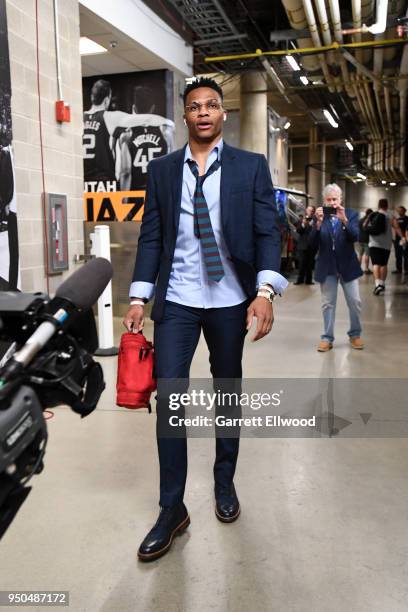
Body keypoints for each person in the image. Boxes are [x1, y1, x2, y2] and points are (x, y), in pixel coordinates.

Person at [123, 76, 288, 561]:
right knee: (171, 395)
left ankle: (224, 483)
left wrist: (265, 292)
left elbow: (266, 232)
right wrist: (138, 297)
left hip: (231, 298)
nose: (202, 112)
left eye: (211, 105)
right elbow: (152, 235)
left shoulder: (250, 167)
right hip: (176, 299)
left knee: (226, 391)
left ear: (223, 114)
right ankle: (171, 508)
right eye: (194, 106)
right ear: (185, 115)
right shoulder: (162, 170)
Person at [83, 79, 173, 185]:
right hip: (104, 184)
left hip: (83, 182)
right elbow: (145, 119)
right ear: (107, 99)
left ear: (92, 97)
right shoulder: (109, 117)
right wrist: (168, 122)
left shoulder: (79, 117)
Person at [309, 183, 363, 352]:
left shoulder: (351, 214)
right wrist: (317, 224)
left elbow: (355, 236)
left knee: (355, 302)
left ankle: (355, 334)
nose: (332, 203)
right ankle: (327, 337)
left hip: (348, 265)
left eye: (335, 199)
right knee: (327, 304)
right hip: (327, 268)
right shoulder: (319, 218)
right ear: (324, 201)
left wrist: (344, 219)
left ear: (341, 199)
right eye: (329, 199)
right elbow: (311, 244)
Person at [119, 85, 174, 191]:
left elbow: (125, 171)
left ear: (134, 108)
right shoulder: (165, 132)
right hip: (159, 193)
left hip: (137, 195)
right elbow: (173, 166)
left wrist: (124, 201)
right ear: (153, 108)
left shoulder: (127, 134)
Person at [368, 198, 393, 295]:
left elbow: (367, 227)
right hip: (386, 244)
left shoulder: (373, 215)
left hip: (374, 243)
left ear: (378, 205)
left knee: (375, 264)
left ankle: (377, 284)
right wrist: (402, 237)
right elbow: (396, 227)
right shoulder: (390, 215)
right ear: (387, 205)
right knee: (383, 264)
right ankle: (382, 284)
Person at [294, 205, 315, 285]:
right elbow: (298, 231)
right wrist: (303, 224)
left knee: (310, 264)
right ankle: (300, 280)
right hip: (302, 245)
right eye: (309, 210)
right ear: (306, 210)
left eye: (312, 210)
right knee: (301, 263)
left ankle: (308, 280)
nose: (310, 212)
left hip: (311, 245)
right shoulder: (301, 220)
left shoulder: (315, 220)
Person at [391, 205, 408, 276]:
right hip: (397, 240)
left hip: (405, 239)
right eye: (398, 210)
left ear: (404, 211)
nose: (399, 211)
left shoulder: (407, 219)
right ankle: (399, 269)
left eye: (401, 210)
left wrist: (405, 239)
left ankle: (406, 269)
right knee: (398, 255)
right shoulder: (396, 219)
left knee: (406, 255)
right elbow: (393, 228)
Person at [358, 208, 373, 274]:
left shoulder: (360, 220)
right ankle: (366, 269)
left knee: (360, 254)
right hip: (367, 239)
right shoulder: (369, 221)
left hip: (360, 239)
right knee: (367, 254)